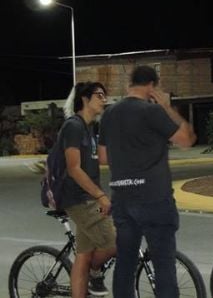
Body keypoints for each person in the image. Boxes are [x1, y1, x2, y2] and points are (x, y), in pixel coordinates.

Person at [98, 65, 196, 298]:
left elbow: (102, 157)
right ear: (152, 86)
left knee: (125, 263)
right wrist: (166, 106)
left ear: (129, 84)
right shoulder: (151, 112)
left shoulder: (109, 114)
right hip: (153, 197)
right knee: (163, 265)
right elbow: (187, 139)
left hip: (122, 197)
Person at [58, 82, 116, 297]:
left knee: (83, 255)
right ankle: (94, 272)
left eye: (105, 95)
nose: (104, 100)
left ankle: (88, 274)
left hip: (87, 196)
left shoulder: (90, 127)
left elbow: (101, 159)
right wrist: (100, 196)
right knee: (116, 242)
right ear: (84, 99)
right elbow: (73, 169)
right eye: (99, 95)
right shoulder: (74, 126)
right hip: (78, 198)